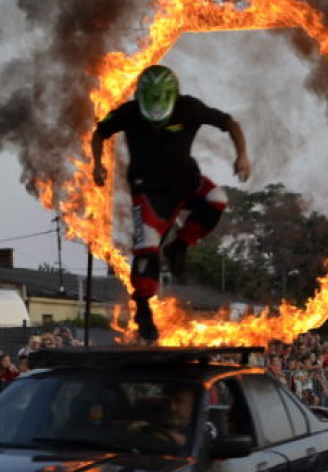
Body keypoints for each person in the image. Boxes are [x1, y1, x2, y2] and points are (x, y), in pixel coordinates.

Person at [91, 64, 251, 341]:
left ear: (172, 96)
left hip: (187, 182)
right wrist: (97, 165)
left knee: (217, 200)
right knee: (146, 249)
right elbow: (99, 132)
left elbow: (230, 123)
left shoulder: (189, 107)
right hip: (149, 193)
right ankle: (142, 309)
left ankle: (180, 246)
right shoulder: (128, 112)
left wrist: (242, 155)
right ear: (141, 97)